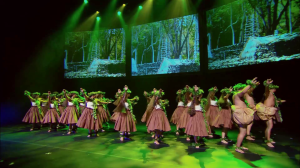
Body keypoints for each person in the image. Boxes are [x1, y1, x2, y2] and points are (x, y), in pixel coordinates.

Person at [256, 79, 286, 147]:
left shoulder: (272, 94)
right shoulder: (268, 92)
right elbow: (266, 89)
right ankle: (267, 141)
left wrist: (280, 101)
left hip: (270, 111)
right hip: (267, 111)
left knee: (270, 126)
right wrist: (267, 84)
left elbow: (273, 101)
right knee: (269, 126)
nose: (275, 90)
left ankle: (268, 138)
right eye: (274, 88)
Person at [231, 78, 258, 153]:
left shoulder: (238, 95)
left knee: (244, 131)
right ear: (239, 89)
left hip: (242, 112)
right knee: (242, 132)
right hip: (240, 113)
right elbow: (243, 92)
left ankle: (239, 145)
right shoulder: (237, 94)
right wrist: (250, 84)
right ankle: (237, 147)